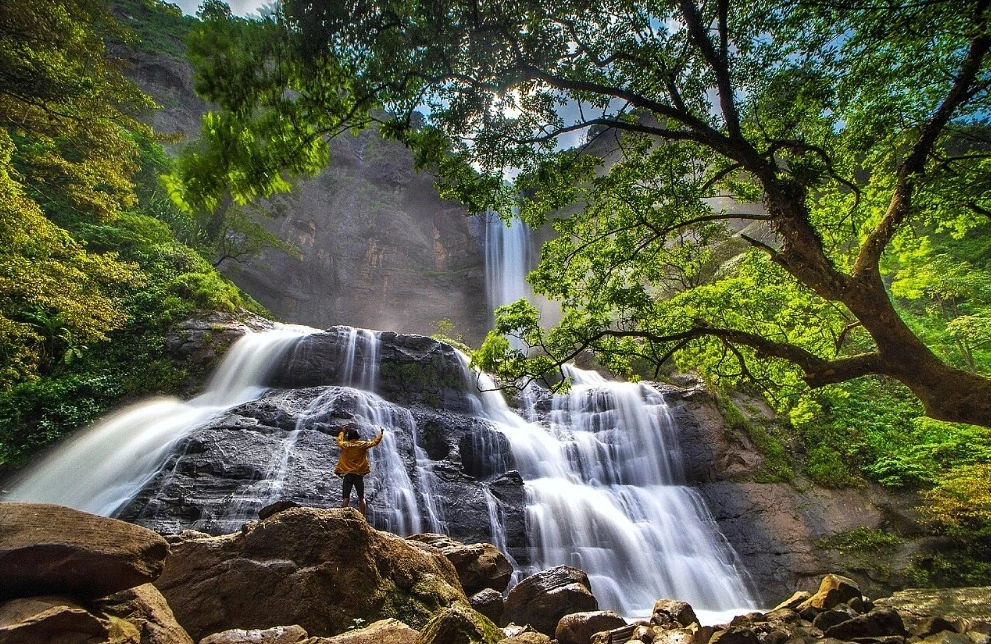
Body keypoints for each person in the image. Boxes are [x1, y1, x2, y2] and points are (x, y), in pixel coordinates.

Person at [334, 423, 385, 517]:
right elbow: (375, 442)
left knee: (345, 497)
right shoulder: (362, 445)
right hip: (358, 475)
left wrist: (342, 431)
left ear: (349, 437)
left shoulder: (345, 445)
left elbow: (339, 441)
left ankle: (342, 516)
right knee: (361, 497)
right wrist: (381, 434)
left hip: (348, 474)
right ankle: (363, 517)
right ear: (358, 437)